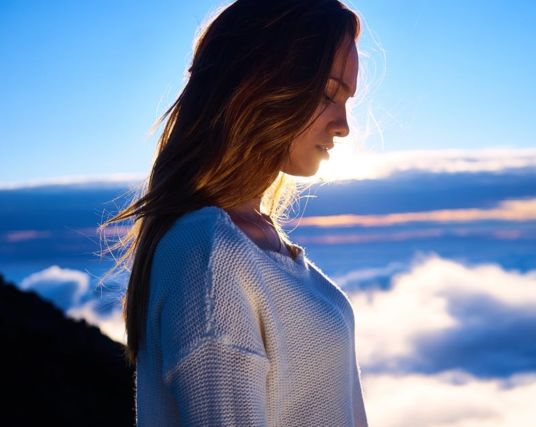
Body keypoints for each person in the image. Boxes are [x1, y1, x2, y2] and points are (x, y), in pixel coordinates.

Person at [101, 0, 368, 425]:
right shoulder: (210, 256)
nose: (344, 125)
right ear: (262, 84)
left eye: (346, 99)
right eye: (328, 94)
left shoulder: (255, 243)